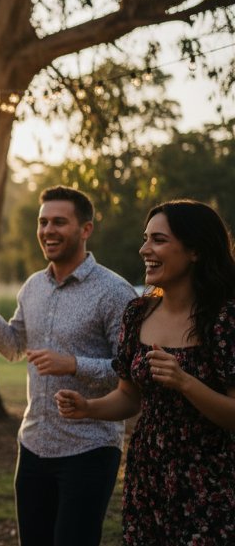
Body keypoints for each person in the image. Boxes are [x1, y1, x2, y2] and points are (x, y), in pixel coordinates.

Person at [0, 185, 134, 546]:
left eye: (59, 222)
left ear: (85, 229)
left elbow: (130, 371)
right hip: (34, 445)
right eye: (43, 222)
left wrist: (73, 364)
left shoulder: (114, 292)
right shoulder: (32, 287)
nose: (48, 230)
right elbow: (12, 346)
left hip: (90, 449)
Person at [56, 200, 235, 545]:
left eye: (159, 240)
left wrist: (185, 382)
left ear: (195, 250)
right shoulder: (138, 313)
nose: (144, 249)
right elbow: (128, 396)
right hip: (148, 476)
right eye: (145, 238)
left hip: (211, 481)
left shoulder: (225, 320)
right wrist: (89, 407)